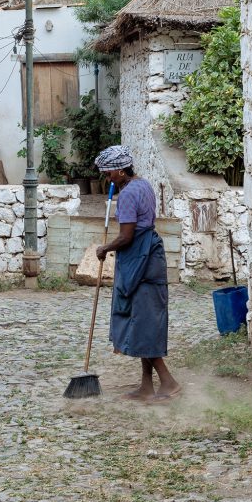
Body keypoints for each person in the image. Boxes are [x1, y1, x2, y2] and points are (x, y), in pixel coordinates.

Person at [95, 146, 181, 402]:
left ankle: (169, 383)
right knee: (143, 321)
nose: (107, 177)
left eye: (109, 172)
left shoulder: (128, 195)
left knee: (144, 323)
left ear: (121, 170)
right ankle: (146, 386)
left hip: (141, 262)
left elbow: (126, 236)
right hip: (147, 258)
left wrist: (104, 248)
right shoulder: (142, 185)